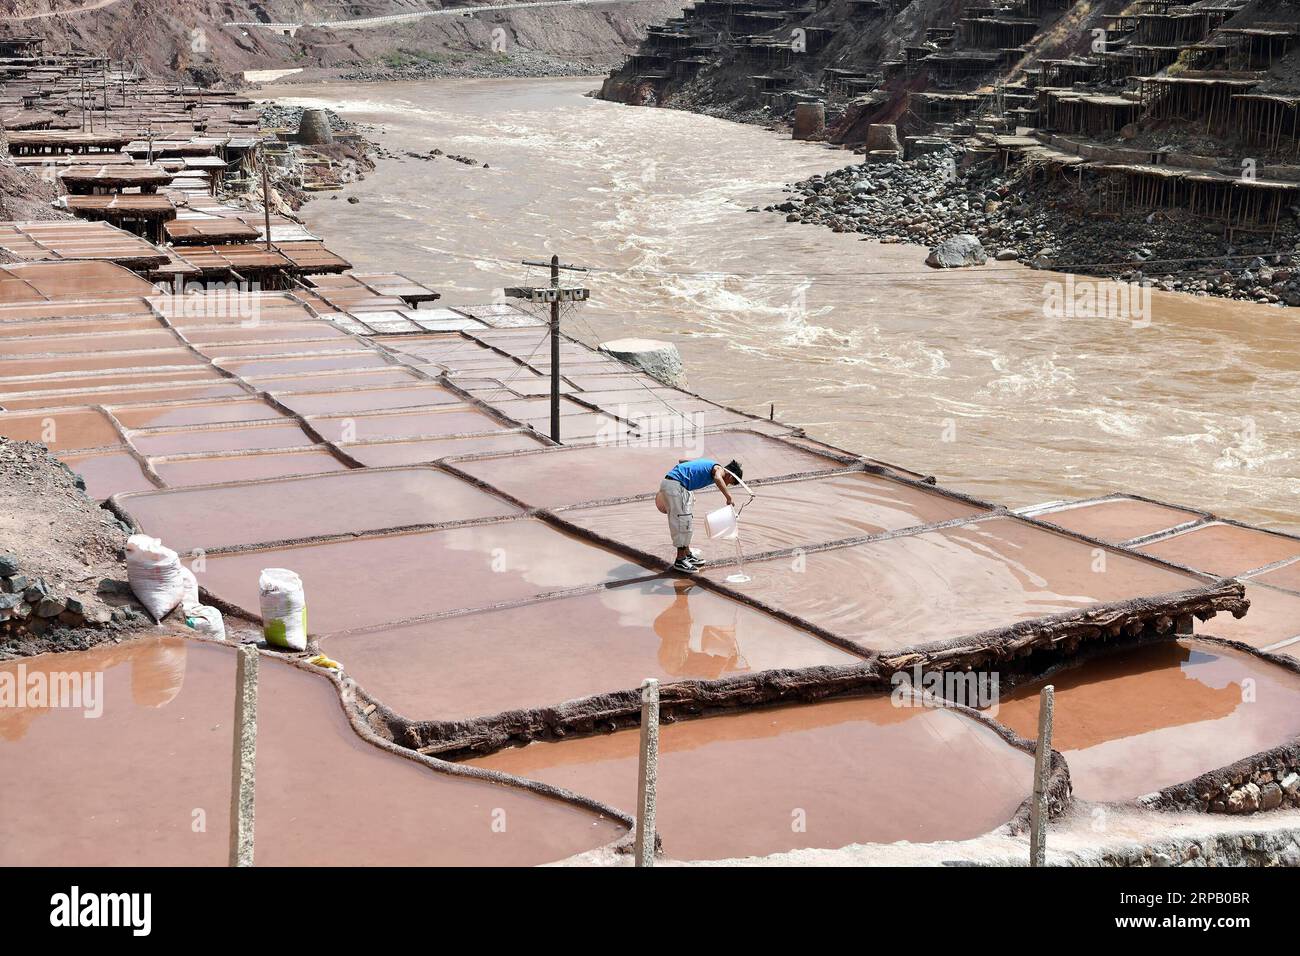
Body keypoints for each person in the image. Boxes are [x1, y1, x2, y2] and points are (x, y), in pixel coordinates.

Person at [656, 457, 743, 572]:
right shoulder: (719, 469)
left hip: (677, 485)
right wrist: (729, 497)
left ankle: (687, 555)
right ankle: (680, 560)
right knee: (682, 522)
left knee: (686, 522)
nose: (727, 485)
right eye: (730, 483)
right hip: (676, 486)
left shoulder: (710, 463)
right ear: (730, 476)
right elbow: (718, 478)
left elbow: (683, 461)